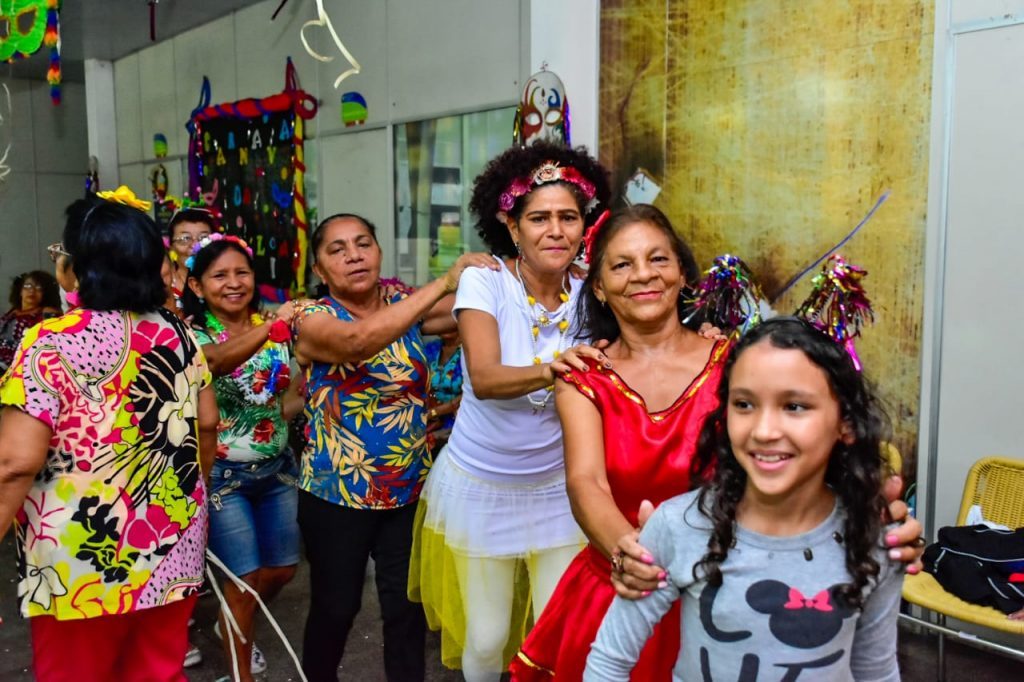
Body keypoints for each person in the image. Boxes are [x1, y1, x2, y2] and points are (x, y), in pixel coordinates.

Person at [512, 206, 926, 681]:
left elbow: (796, 450)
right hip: (626, 578)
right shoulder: (584, 376)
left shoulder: (735, 361)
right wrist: (635, 558)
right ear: (599, 287)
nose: (643, 274)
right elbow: (585, 482)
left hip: (732, 577)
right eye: (622, 264)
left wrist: (868, 523)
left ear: (684, 273)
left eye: (658, 259)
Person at [584, 316, 903, 681]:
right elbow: (608, 663)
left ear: (845, 423)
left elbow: (875, 671)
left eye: (794, 406)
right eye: (744, 405)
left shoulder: (874, 538)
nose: (764, 431)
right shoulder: (681, 526)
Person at [408, 141, 612, 681]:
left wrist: (702, 332)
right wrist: (557, 366)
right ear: (511, 223)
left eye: (569, 217)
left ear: (584, 224)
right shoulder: (486, 280)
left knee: (556, 631)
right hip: (483, 486)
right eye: (539, 217)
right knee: (486, 638)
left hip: (557, 488)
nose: (556, 231)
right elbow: (486, 377)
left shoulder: (595, 289)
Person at [0, 189, 219, 682]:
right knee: (157, 672)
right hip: (172, 542)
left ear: (77, 267)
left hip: (80, 558)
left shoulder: (49, 341)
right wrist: (186, 496)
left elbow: (15, 463)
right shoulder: (178, 334)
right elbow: (207, 425)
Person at [291, 213, 497, 682]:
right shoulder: (310, 316)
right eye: (337, 249)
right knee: (335, 608)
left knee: (405, 612)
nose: (354, 255)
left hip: (409, 489)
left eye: (363, 243)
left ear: (379, 252)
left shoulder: (406, 305)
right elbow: (358, 342)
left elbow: (473, 313)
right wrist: (445, 280)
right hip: (336, 493)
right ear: (320, 270)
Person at [183, 234, 303, 681]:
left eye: (242, 273)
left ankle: (230, 622)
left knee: (283, 569)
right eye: (219, 276)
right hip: (222, 475)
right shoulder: (190, 335)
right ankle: (239, 675)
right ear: (197, 287)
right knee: (243, 580)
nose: (233, 283)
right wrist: (269, 330)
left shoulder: (272, 327)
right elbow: (211, 363)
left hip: (277, 469)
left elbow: (288, 396)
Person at [0, 271, 61, 373]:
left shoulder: (47, 314)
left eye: (39, 288)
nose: (32, 291)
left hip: (18, 367)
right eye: (27, 286)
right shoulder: (12, 312)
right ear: (20, 291)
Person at [166, 208, 217, 307]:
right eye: (185, 238)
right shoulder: (164, 283)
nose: (194, 245)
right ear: (171, 245)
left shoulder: (223, 282)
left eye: (203, 238)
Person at [424, 328, 463, 454]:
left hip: (457, 420)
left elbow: (471, 392)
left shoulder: (470, 352)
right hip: (428, 416)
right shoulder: (430, 348)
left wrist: (435, 412)